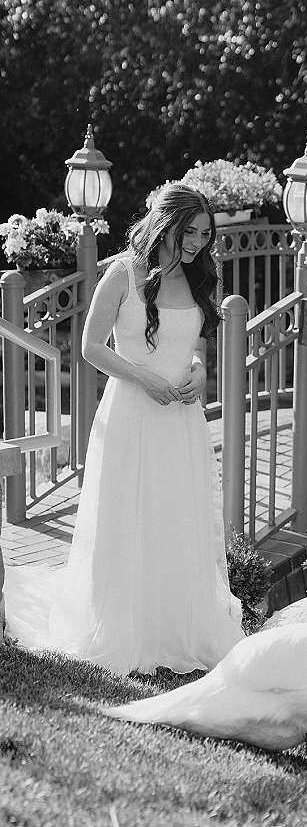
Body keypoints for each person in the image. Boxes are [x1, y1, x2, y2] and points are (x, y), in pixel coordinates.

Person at [4, 184, 245, 675]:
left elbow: (193, 341)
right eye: (190, 232)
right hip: (132, 413)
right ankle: (125, 625)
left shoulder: (201, 278)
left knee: (175, 515)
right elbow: (91, 348)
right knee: (130, 512)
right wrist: (144, 378)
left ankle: (173, 623)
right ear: (166, 225)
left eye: (205, 233)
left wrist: (200, 367)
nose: (198, 242)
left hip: (181, 418)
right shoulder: (123, 272)